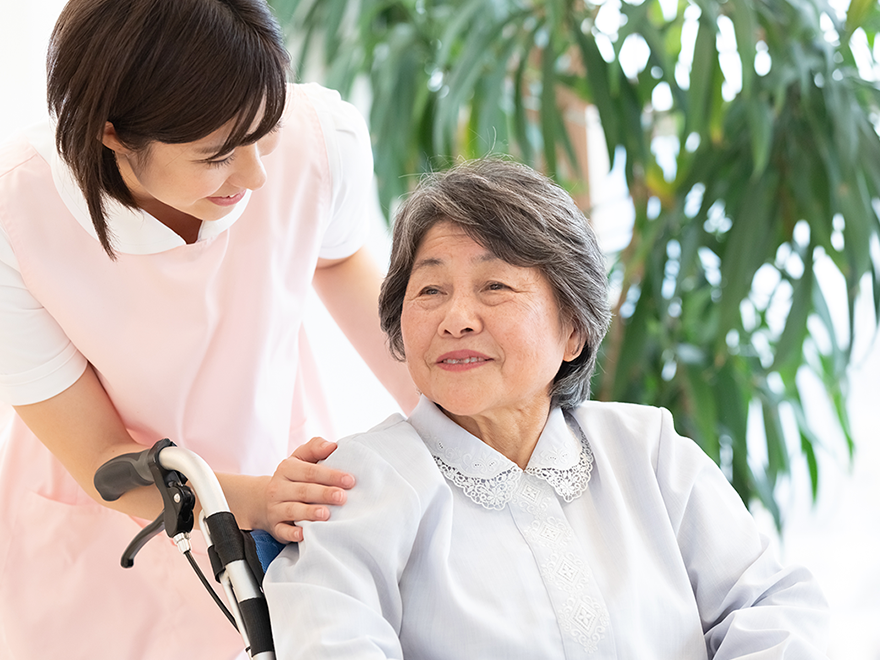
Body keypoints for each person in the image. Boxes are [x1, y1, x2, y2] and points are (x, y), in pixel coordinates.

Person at [264, 158, 830, 659]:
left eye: (495, 287)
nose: (456, 317)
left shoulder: (647, 449)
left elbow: (772, 604)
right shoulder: (352, 486)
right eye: (430, 290)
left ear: (573, 332)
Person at [0, 1, 417, 658]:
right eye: (217, 155)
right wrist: (253, 501)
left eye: (265, 133)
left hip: (272, 496)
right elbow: (100, 454)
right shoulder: (19, 213)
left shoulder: (315, 142)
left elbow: (343, 266)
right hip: (110, 531)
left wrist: (466, 432)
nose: (255, 176)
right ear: (111, 133)